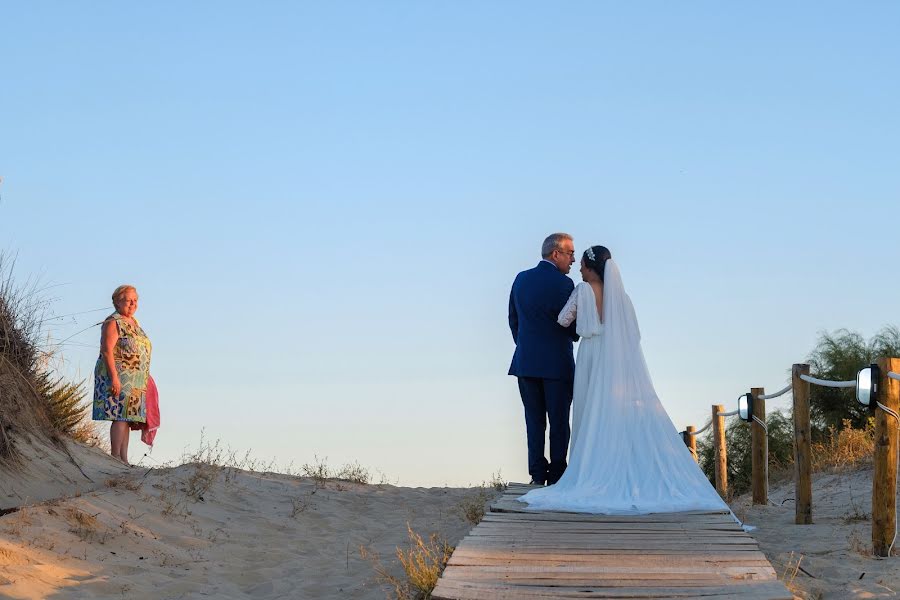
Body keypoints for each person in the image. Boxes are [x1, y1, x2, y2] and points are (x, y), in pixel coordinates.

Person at [521, 247, 729, 514]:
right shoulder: (622, 298)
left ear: (591, 267)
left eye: (583, 265)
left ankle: (589, 469)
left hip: (591, 356)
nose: (580, 269)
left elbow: (563, 320)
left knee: (589, 412)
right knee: (614, 412)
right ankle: (618, 466)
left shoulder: (582, 291)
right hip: (615, 358)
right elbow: (635, 334)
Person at [508, 233, 579, 486]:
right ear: (555, 253)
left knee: (534, 421)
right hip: (557, 365)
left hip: (525, 362)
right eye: (570, 253)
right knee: (559, 421)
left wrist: (527, 346)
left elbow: (513, 320)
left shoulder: (521, 279)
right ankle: (558, 475)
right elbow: (572, 328)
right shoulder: (564, 284)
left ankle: (537, 474)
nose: (573, 259)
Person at [93, 285, 152, 466]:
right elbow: (106, 350)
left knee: (126, 417)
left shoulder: (134, 322)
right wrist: (114, 378)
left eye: (136, 300)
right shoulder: (113, 322)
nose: (133, 303)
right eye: (129, 300)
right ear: (117, 302)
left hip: (135, 380)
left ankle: (123, 459)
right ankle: (115, 457)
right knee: (119, 415)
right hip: (118, 376)